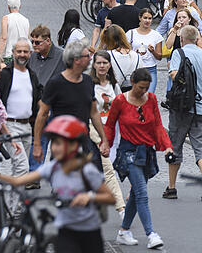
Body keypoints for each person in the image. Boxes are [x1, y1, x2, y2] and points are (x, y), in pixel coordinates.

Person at [0, 116, 115, 253]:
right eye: (53, 143)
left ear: (74, 145)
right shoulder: (53, 167)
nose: (55, 148)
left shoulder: (87, 170)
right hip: (66, 231)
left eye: (59, 143)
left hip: (90, 232)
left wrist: (89, 197)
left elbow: (110, 198)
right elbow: (18, 181)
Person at [102, 69, 169, 249]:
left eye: (146, 88)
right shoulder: (120, 101)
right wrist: (106, 145)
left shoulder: (152, 99)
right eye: (140, 87)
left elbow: (157, 125)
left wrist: (167, 145)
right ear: (132, 82)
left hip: (146, 152)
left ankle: (124, 232)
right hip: (127, 152)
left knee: (136, 195)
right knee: (142, 193)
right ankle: (151, 234)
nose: (143, 91)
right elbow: (109, 126)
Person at [33, 40, 111, 169]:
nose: (90, 59)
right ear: (77, 60)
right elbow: (42, 114)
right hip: (62, 145)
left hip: (83, 143)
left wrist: (104, 139)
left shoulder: (87, 81)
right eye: (87, 56)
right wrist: (37, 144)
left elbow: (93, 113)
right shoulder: (55, 83)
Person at [165, 25, 202, 200]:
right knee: (200, 148)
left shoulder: (178, 54)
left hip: (181, 108)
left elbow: (174, 75)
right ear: (197, 38)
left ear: (182, 39)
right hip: (200, 108)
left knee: (175, 146)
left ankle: (171, 187)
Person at [0, 38, 41, 181]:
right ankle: (15, 203)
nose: (22, 54)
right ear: (13, 52)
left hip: (27, 126)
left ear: (30, 53)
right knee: (22, 167)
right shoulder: (5, 74)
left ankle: (12, 201)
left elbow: (38, 98)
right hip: (10, 126)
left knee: (19, 168)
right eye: (19, 51)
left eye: (25, 52)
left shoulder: (32, 75)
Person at [90, 51, 126, 217]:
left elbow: (121, 107)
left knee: (100, 170)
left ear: (110, 65)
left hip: (112, 131)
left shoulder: (114, 85)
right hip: (94, 131)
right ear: (94, 65)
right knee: (107, 169)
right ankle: (121, 208)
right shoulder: (89, 84)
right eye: (99, 63)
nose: (102, 66)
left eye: (105, 63)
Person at [126, 9, 164, 93]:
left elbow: (159, 57)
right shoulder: (130, 33)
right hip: (135, 69)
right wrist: (135, 53)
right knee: (135, 96)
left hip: (150, 69)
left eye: (150, 18)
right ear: (140, 18)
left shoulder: (156, 35)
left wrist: (153, 51)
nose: (147, 21)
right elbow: (125, 53)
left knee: (149, 96)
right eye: (145, 18)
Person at [0, 0, 30, 64]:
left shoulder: (6, 18)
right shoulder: (26, 20)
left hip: (10, 55)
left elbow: (3, 38)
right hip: (23, 56)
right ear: (20, 6)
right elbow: (28, 38)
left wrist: (0, 56)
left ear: (8, 7)